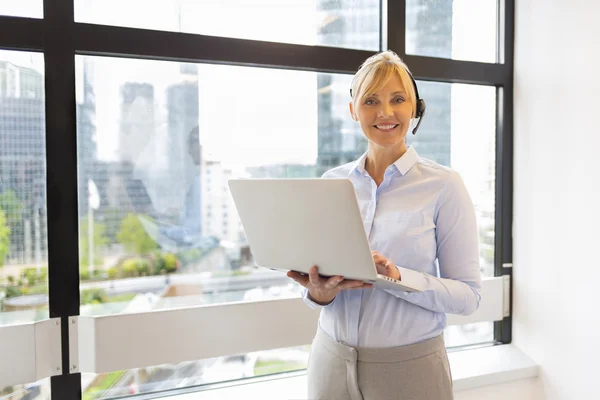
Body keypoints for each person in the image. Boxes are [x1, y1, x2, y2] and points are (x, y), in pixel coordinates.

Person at [287, 50, 482, 400]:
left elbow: (468, 297)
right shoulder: (332, 182)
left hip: (409, 370)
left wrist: (396, 277)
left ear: (415, 109)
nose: (385, 113)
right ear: (353, 110)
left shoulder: (444, 185)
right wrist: (318, 292)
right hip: (329, 361)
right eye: (371, 100)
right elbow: (318, 285)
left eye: (398, 99)